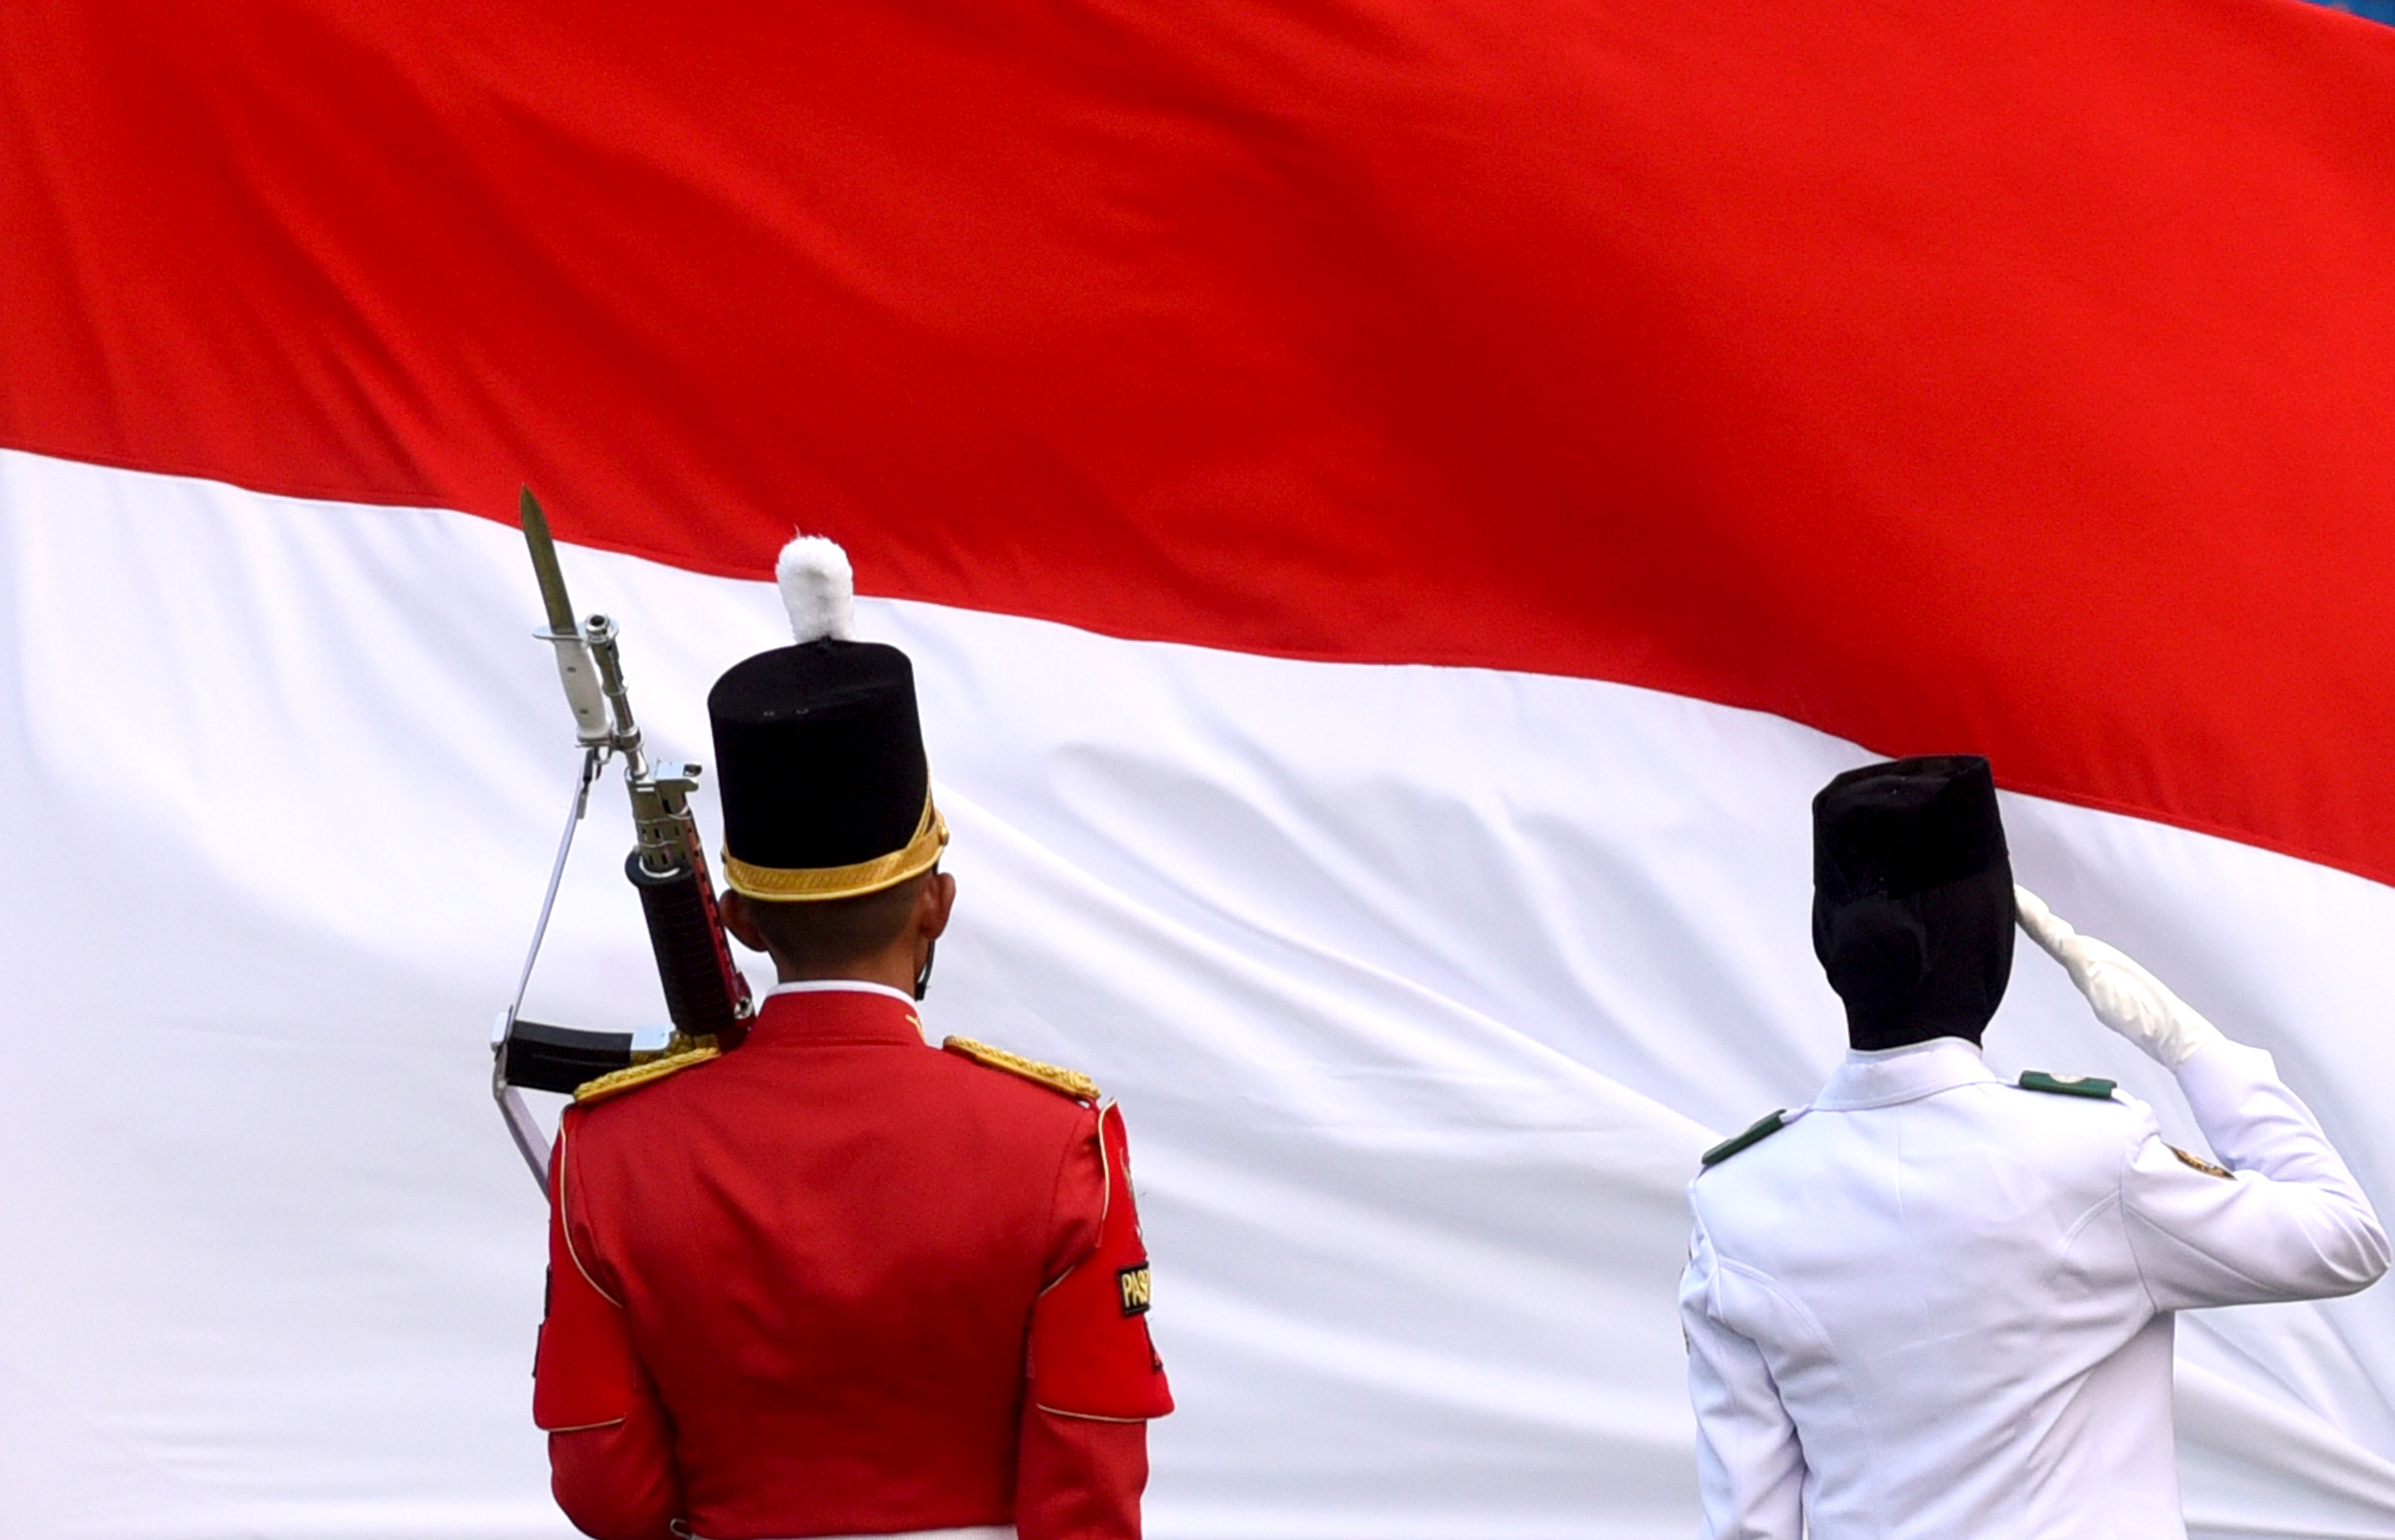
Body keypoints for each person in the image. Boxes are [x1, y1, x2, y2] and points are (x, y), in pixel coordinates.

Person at [530, 536, 1172, 1540]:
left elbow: (606, 1486)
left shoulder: (607, 1152)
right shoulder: (1061, 1144)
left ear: (739, 921)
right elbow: (1088, 1490)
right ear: (937, 905)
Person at [1680, 754, 2387, 1540]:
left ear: (1826, 943)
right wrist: (2192, 1047)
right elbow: (2347, 1238)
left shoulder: (1736, 1205)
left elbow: (1749, 1527)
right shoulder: (2089, 1155)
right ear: (1994, 936)